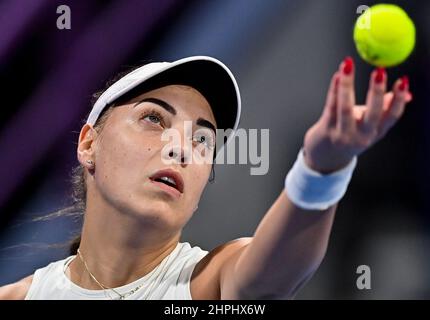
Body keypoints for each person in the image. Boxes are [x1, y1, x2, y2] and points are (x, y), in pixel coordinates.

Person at [0, 55, 412, 299]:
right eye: (153, 118)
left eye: (202, 139)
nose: (181, 147)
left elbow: (276, 267)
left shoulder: (211, 285)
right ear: (89, 144)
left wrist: (324, 167)